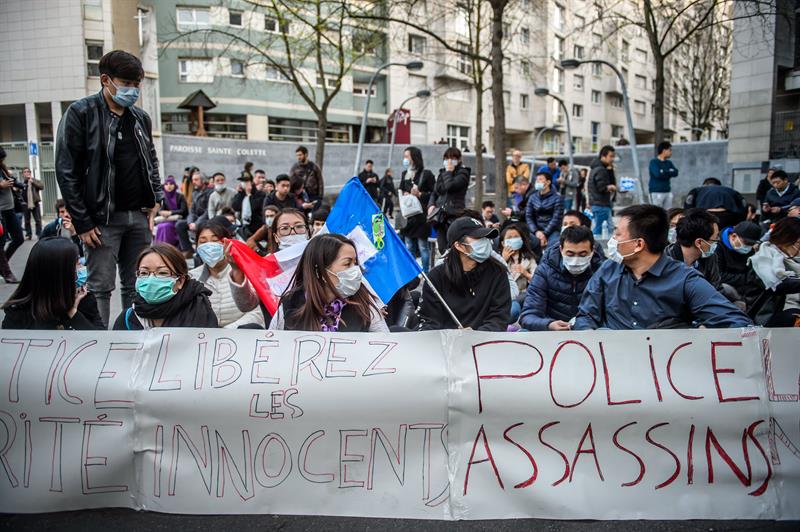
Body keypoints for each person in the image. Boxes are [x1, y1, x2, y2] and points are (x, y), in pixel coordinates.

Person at [55, 50, 162, 327]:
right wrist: (82, 220)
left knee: (137, 285)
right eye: (126, 83)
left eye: (137, 84)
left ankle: (133, 337)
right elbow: (67, 171)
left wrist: (157, 199)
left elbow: (151, 159)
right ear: (105, 79)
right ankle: (100, 346)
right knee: (100, 287)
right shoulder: (80, 113)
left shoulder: (140, 118)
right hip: (101, 220)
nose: (133, 90)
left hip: (138, 216)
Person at [574, 204, 752, 330]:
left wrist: (698, 333)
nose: (613, 240)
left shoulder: (684, 280)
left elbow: (737, 322)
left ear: (638, 244)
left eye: (618, 234)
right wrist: (592, 337)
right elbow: (586, 317)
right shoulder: (607, 271)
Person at [262, 233, 388, 332]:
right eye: (347, 264)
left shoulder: (364, 306)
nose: (355, 269)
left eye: (355, 263)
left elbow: (386, 348)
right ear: (320, 271)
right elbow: (272, 348)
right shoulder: (290, 305)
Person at [417, 217, 511, 331]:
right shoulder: (436, 277)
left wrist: (477, 335)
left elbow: (499, 318)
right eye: (478, 238)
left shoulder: (498, 273)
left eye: (485, 237)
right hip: (444, 345)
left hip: (484, 344)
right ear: (459, 245)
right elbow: (429, 321)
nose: (485, 241)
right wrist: (451, 337)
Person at [2, 237, 103, 330]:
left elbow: (100, 342)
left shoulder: (84, 300)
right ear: (60, 275)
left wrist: (73, 312)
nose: (81, 266)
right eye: (76, 262)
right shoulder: (18, 312)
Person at [112, 243, 218, 330]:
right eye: (144, 273)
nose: (151, 279)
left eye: (162, 273)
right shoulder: (128, 318)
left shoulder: (200, 313)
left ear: (180, 281)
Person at [520, 225, 604, 331]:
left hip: (589, 331)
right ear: (561, 249)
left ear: (592, 251)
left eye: (582, 255)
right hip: (551, 331)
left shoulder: (601, 272)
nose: (575, 260)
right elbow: (528, 316)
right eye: (570, 254)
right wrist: (549, 324)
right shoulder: (544, 271)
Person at [189, 217, 265, 329]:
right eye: (203, 242)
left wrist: (226, 331)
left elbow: (257, 314)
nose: (209, 246)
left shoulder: (246, 273)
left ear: (227, 243)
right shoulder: (191, 278)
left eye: (215, 241)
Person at [747, 217, 800, 327]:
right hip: (764, 317)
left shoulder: (787, 259)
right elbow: (778, 286)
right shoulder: (761, 260)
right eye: (798, 242)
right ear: (787, 238)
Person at [399, 146, 436, 273]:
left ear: (414, 158)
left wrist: (420, 195)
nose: (404, 159)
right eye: (404, 157)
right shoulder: (405, 174)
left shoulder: (426, 174)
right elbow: (400, 189)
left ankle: (425, 273)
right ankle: (411, 273)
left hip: (421, 217)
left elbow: (434, 194)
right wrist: (404, 194)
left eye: (407, 156)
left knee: (423, 246)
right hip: (408, 216)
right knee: (408, 245)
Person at [665, 208, 721, 290]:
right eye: (714, 239)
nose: (716, 243)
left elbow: (717, 289)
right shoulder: (665, 262)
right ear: (699, 242)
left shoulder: (710, 258)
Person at [429, 146, 470, 253]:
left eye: (452, 158)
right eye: (446, 159)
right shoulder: (442, 173)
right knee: (442, 248)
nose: (449, 161)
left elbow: (450, 186)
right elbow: (435, 192)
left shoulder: (463, 173)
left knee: (453, 246)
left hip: (454, 215)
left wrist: (448, 172)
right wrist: (431, 205)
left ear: (459, 159)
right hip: (440, 216)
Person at [715, 220, 764, 309]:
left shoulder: (749, 250)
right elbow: (718, 275)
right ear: (734, 236)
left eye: (751, 244)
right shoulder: (717, 247)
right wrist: (746, 278)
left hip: (744, 288)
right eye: (747, 243)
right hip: (724, 289)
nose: (748, 247)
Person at [498, 224, 537, 324]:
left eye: (516, 237)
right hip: (503, 296)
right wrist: (503, 260)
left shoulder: (529, 258)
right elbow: (492, 279)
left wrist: (525, 273)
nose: (513, 240)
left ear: (522, 240)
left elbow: (537, 281)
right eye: (509, 238)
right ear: (503, 243)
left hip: (521, 295)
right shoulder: (497, 258)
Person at [176, 171, 210, 259]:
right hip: (195, 220)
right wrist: (190, 222)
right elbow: (192, 211)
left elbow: (208, 211)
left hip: (206, 220)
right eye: (193, 180)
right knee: (180, 225)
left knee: (201, 226)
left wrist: (196, 223)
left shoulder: (210, 192)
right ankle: (188, 250)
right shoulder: (195, 193)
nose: (193, 182)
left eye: (196, 179)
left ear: (203, 180)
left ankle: (201, 251)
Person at [526, 170, 563, 249]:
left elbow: (556, 218)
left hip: (552, 231)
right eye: (536, 179)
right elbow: (528, 216)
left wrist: (545, 233)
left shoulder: (557, 198)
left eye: (540, 179)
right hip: (536, 230)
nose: (537, 181)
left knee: (553, 247)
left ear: (548, 182)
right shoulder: (532, 197)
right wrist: (536, 231)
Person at [0, 147, 25, 268]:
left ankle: (2, 266)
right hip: (0, 212)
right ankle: (5, 270)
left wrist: (20, 184)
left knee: (19, 238)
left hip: (10, 209)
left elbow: (14, 182)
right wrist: (1, 185)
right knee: (2, 240)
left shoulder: (3, 169)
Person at [588, 145, 617, 237]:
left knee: (604, 229)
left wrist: (610, 170)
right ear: (603, 156)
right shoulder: (601, 170)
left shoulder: (597, 168)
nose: (613, 159)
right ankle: (597, 250)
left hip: (597, 204)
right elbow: (601, 187)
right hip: (601, 204)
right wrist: (611, 187)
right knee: (600, 231)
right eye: (611, 156)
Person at [153, 176, 188, 247]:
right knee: (161, 226)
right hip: (166, 219)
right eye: (166, 184)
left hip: (178, 219)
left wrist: (171, 212)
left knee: (166, 226)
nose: (169, 186)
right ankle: (160, 247)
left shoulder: (180, 196)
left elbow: (183, 210)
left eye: (171, 184)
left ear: (175, 185)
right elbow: (160, 209)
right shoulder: (163, 197)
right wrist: (162, 212)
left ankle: (168, 247)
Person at [232, 174, 266, 239]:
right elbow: (235, 206)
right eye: (243, 182)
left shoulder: (260, 194)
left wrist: (249, 195)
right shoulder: (241, 194)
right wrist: (239, 193)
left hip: (257, 226)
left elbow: (254, 207)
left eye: (246, 182)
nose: (244, 184)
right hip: (244, 227)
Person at [648, 141, 679, 209]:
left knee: (668, 213)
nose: (671, 152)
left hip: (667, 191)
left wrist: (663, 171)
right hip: (656, 192)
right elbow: (658, 174)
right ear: (664, 150)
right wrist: (669, 171)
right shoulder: (654, 162)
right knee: (656, 213)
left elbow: (676, 173)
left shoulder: (669, 162)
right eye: (670, 150)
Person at [21, 168, 44, 239]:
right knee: (27, 221)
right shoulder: (22, 183)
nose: (27, 173)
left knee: (38, 220)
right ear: (23, 174)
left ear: (30, 173)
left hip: (35, 203)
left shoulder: (34, 180)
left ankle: (39, 234)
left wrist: (33, 182)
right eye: (25, 172)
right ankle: (28, 234)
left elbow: (41, 186)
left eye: (28, 172)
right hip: (25, 204)